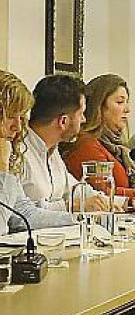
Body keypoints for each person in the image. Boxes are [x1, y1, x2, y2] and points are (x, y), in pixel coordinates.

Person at [63, 74, 135, 210]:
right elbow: (102, 192)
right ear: (99, 106)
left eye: (127, 102)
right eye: (120, 102)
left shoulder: (117, 147)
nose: (127, 109)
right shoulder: (86, 144)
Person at [0, 70, 74, 235]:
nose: (18, 127)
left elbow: (24, 214)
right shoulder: (3, 157)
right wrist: (2, 169)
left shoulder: (10, 152)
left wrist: (82, 219)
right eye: (10, 116)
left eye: (21, 118)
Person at [21, 75, 108, 212]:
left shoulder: (52, 149)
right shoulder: (18, 152)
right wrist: (72, 206)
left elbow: (78, 191)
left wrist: (128, 202)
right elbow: (22, 213)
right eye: (81, 114)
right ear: (63, 121)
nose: (84, 120)